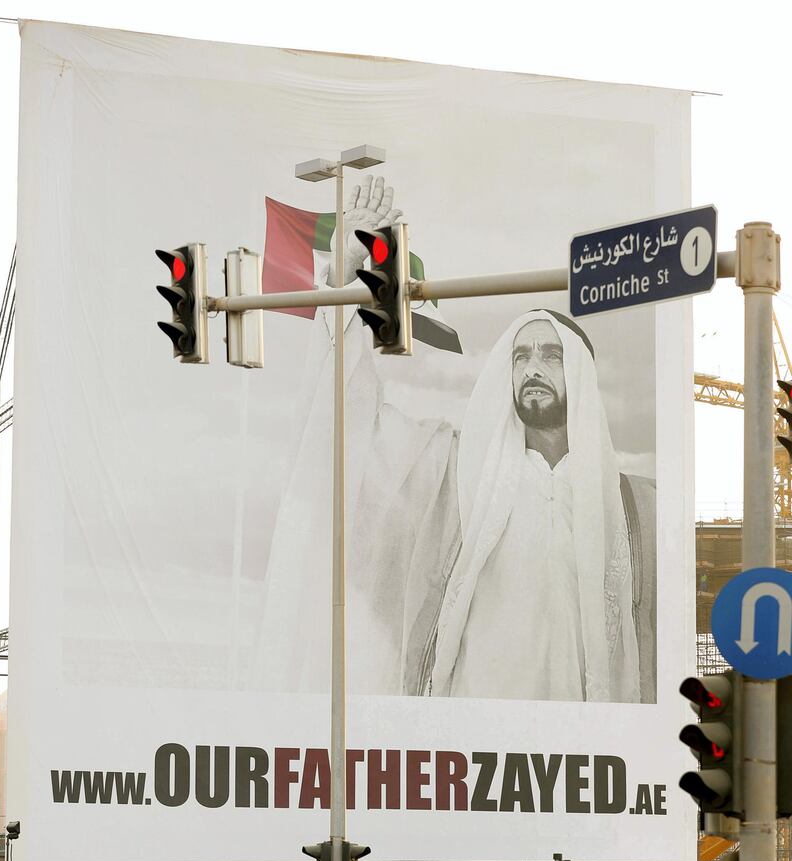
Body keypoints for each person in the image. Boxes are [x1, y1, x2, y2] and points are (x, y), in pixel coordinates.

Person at [252, 177, 655, 702]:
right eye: (520, 357)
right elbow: (355, 430)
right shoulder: (458, 474)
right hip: (477, 747)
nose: (533, 368)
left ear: (579, 378)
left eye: (550, 355)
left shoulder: (634, 507)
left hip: (579, 757)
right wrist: (346, 284)